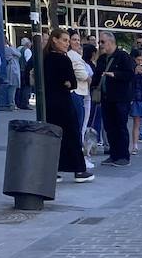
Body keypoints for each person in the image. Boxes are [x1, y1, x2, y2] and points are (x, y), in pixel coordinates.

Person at [44, 29, 93, 183]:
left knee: (53, 136)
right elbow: (72, 82)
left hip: (49, 102)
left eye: (68, 40)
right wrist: (66, 83)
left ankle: (54, 169)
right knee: (72, 134)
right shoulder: (63, 59)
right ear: (55, 40)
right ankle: (78, 169)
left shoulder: (45, 58)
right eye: (64, 40)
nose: (67, 43)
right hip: (63, 102)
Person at [92, 31, 134, 166]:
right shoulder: (102, 58)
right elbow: (97, 75)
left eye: (102, 42)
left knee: (120, 126)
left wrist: (114, 74)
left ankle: (123, 156)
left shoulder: (123, 57)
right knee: (109, 127)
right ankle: (114, 154)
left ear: (111, 42)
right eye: (100, 42)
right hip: (106, 97)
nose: (101, 45)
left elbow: (129, 75)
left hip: (120, 98)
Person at [67, 32, 92, 142]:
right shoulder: (74, 56)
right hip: (77, 91)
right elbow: (81, 74)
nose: (77, 42)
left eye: (78, 40)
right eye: (74, 39)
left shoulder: (73, 55)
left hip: (77, 91)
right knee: (79, 123)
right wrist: (91, 81)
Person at [15, 36, 34, 109]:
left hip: (18, 69)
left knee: (20, 88)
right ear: (27, 44)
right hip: (25, 71)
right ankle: (24, 103)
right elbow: (29, 61)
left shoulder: (18, 49)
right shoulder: (27, 50)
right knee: (27, 87)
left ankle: (19, 102)